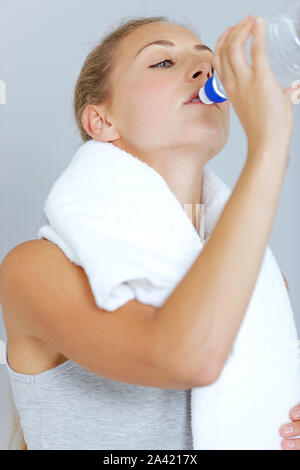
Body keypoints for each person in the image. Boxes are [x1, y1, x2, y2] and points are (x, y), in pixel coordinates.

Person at [0, 13, 299, 450]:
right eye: (162, 62)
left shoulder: (260, 287)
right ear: (101, 121)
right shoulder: (35, 270)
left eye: (208, 62)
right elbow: (187, 357)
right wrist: (270, 146)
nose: (204, 71)